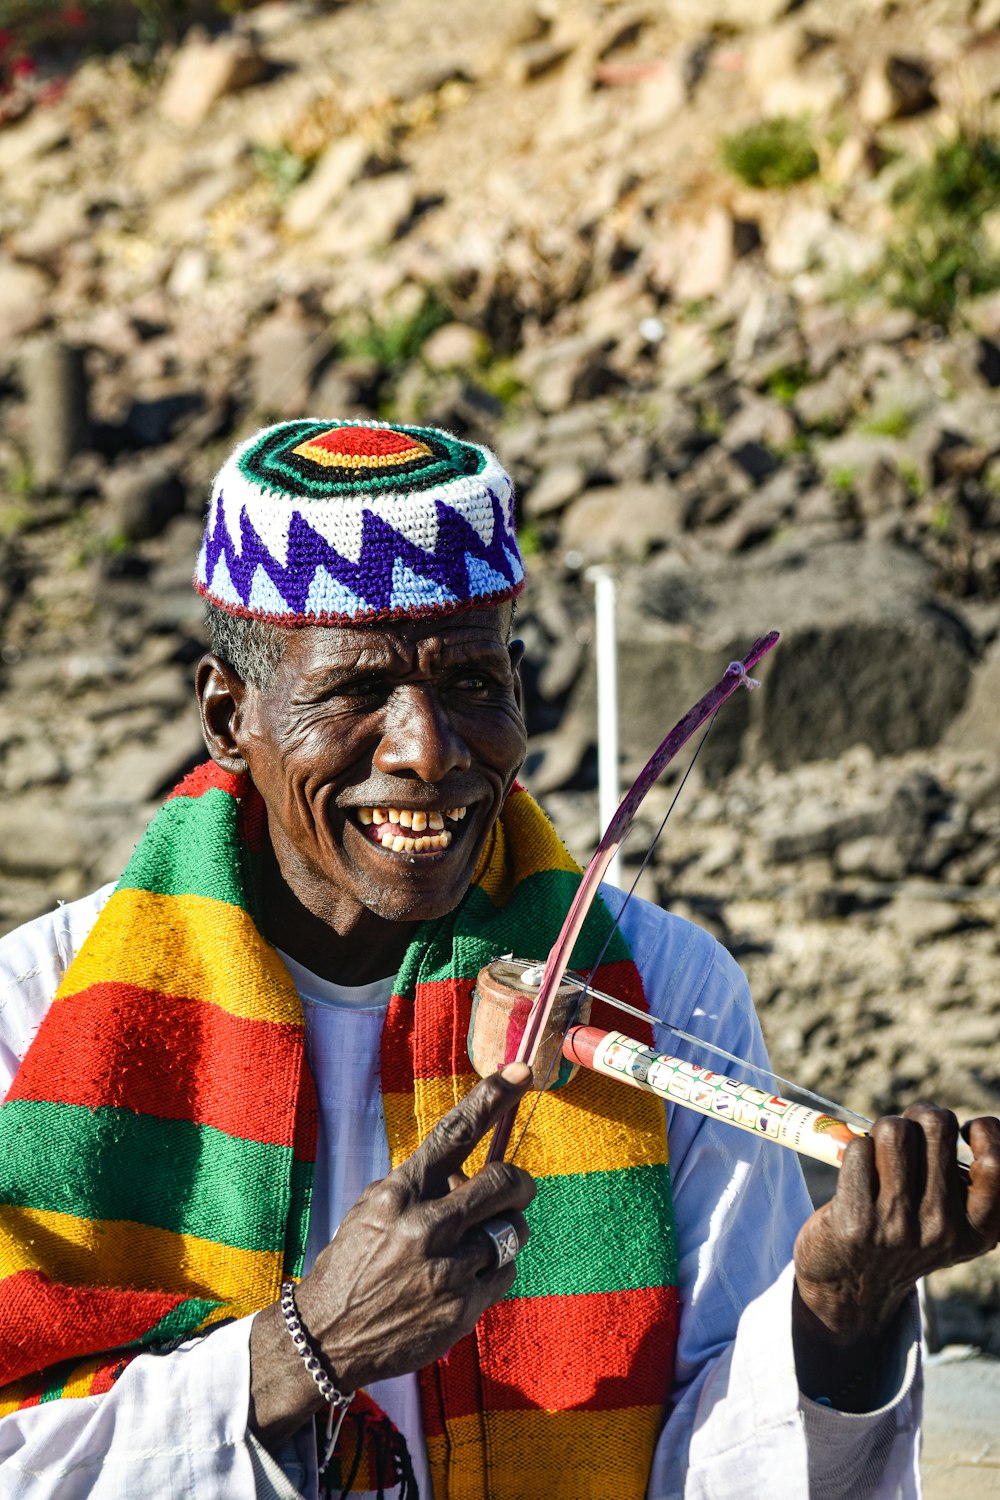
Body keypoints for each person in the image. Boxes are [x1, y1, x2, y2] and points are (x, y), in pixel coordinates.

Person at [0, 418, 996, 1500]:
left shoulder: (662, 987)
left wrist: (839, 1314)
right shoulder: (38, 1007)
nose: (427, 750)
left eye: (472, 683)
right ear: (228, 715)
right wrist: (304, 1351)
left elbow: (722, 1463)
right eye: (357, 692)